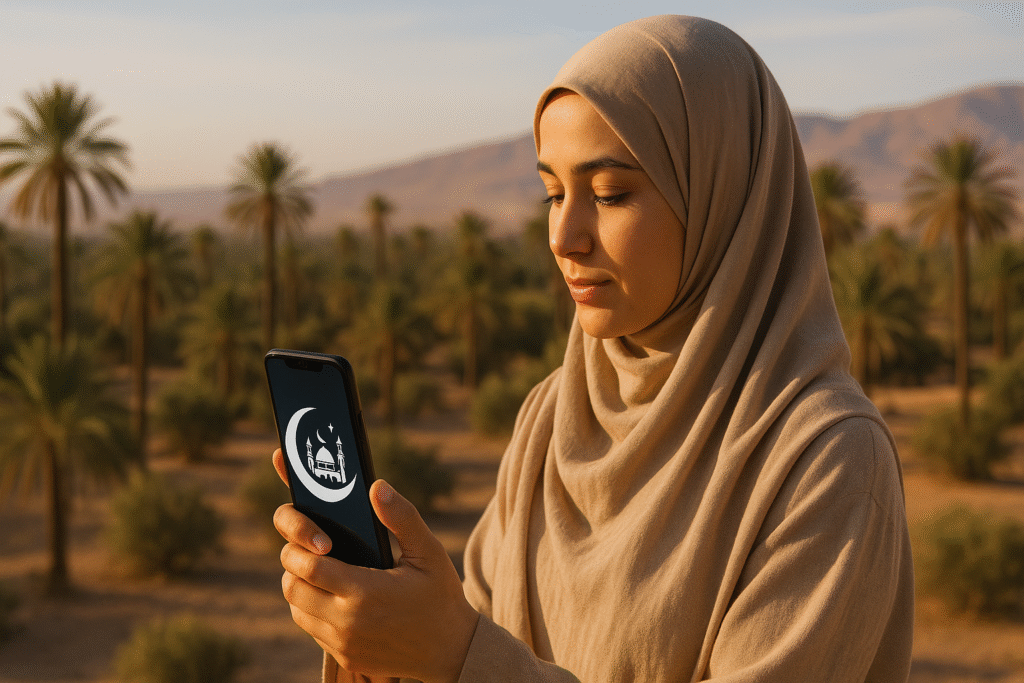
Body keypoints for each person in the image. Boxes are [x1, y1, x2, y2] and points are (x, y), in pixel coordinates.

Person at [272, 14, 915, 683]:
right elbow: (466, 644)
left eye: (610, 193)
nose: (564, 235)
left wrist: (457, 654)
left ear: (722, 200)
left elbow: (471, 657)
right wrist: (384, 637)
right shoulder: (551, 416)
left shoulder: (824, 457)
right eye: (553, 192)